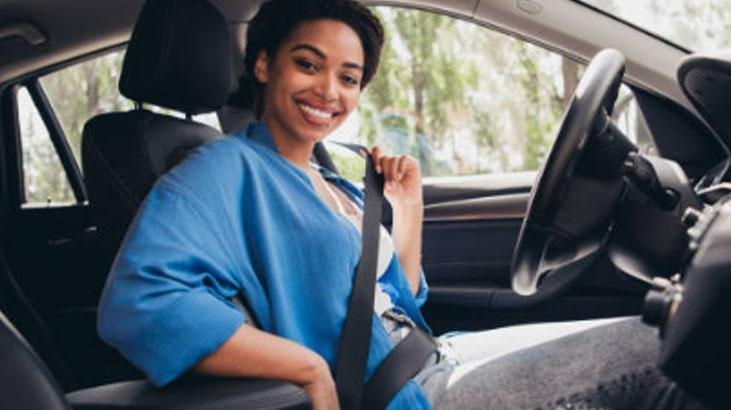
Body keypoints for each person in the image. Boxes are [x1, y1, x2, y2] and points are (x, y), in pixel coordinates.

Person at [97, 0, 707, 409]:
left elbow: (401, 299)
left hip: (434, 354)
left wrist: (406, 208)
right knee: (673, 350)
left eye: (348, 77)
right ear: (263, 64)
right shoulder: (224, 168)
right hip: (400, 396)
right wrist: (306, 368)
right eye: (307, 64)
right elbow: (140, 304)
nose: (328, 91)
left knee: (666, 326)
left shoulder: (327, 177)